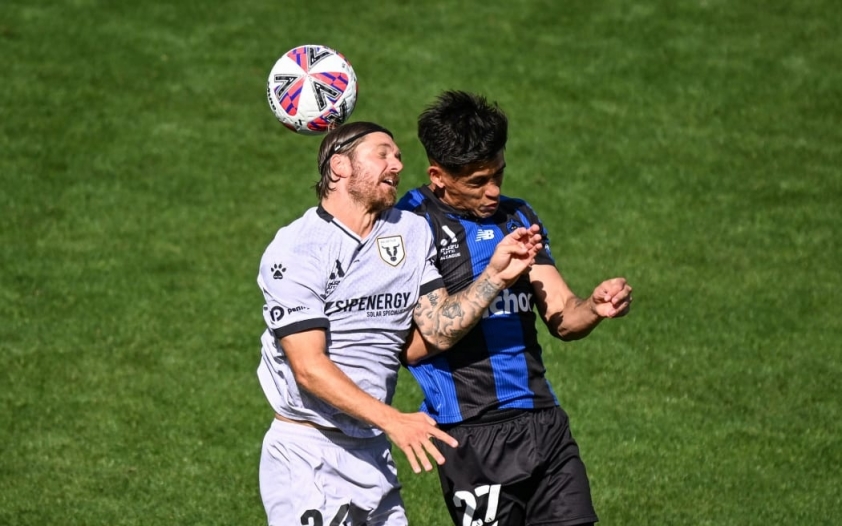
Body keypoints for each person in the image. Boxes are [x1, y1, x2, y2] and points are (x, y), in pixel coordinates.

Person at [255, 121, 543, 526]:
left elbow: (438, 328)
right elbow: (308, 367)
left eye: (398, 156)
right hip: (309, 453)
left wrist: (495, 277)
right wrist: (393, 420)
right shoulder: (298, 248)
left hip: (372, 451)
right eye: (383, 154)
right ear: (340, 166)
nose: (397, 164)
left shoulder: (410, 231)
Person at [396, 91, 633, 526]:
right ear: (438, 176)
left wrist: (594, 307)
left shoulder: (517, 215)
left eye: (499, 174)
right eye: (478, 181)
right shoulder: (410, 224)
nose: (494, 191)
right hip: (471, 433)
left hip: (544, 421)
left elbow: (562, 315)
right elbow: (424, 338)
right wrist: (495, 278)